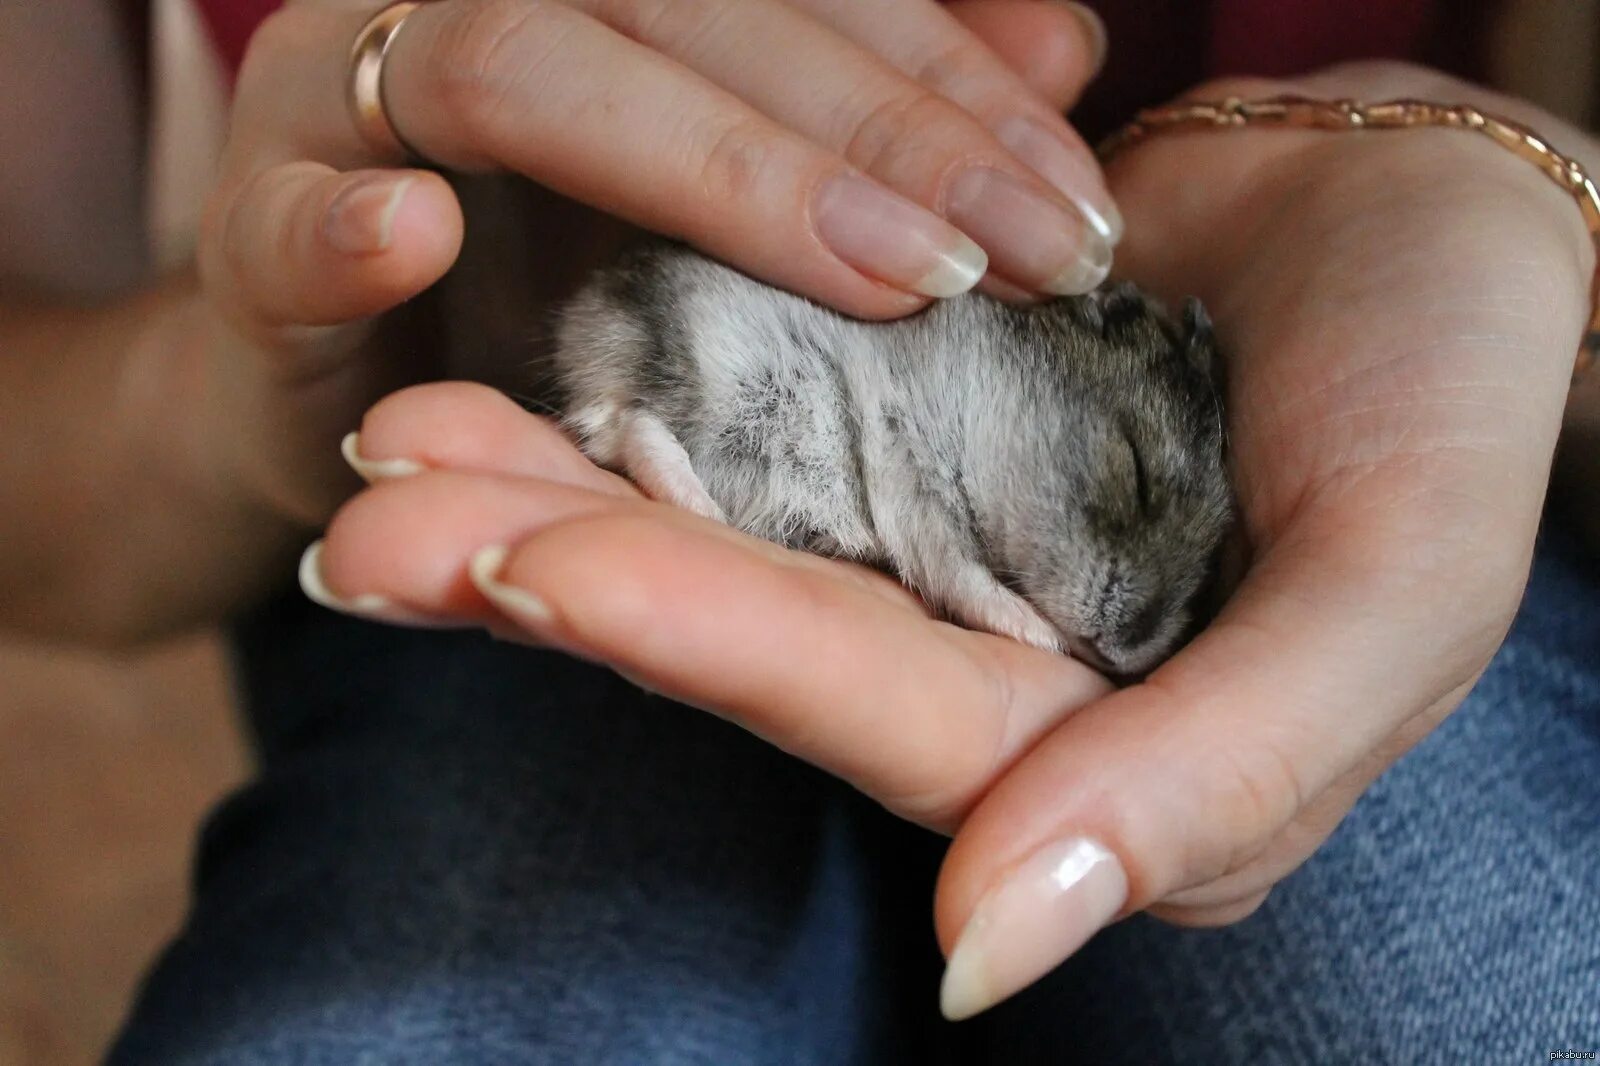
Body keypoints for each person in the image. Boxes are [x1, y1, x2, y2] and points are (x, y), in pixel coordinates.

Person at [3, 0, 1596, 1061]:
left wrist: (1537, 213)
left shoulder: (1153, 483)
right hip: (515, 526)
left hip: (1366, 513)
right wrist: (252, 373)